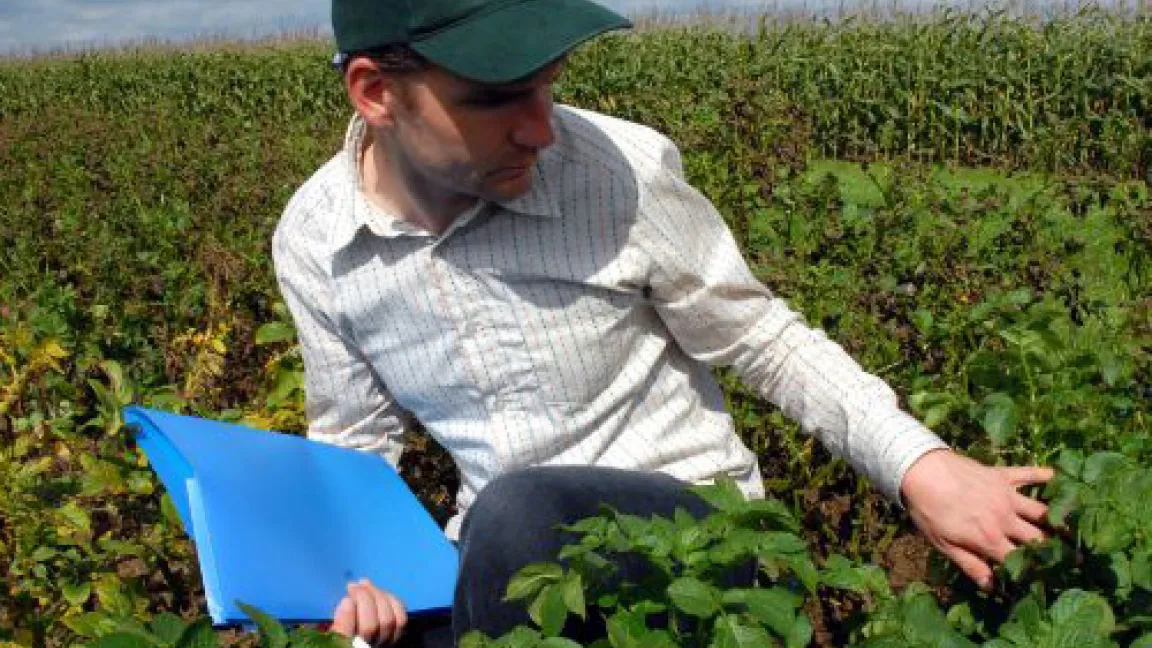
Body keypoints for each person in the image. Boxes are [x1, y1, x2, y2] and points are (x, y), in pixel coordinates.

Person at [271, 0, 1054, 645]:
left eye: (548, 84)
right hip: (503, 564)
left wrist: (920, 466)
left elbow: (763, 339)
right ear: (375, 92)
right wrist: (356, 581)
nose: (540, 129)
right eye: (497, 96)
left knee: (518, 513)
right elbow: (353, 440)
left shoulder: (616, 172)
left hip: (689, 535)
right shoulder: (317, 241)